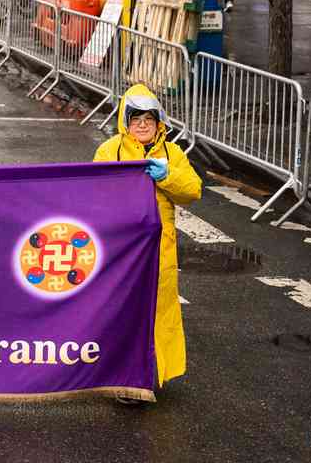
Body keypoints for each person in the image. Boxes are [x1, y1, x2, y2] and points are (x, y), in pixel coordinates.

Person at [93, 85, 201, 398]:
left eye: (149, 119)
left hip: (159, 252)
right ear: (125, 122)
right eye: (136, 119)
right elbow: (94, 194)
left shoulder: (171, 154)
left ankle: (145, 377)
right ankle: (122, 377)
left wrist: (167, 176)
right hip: (121, 251)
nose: (142, 125)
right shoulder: (109, 151)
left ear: (158, 122)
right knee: (122, 313)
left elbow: (192, 190)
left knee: (157, 315)